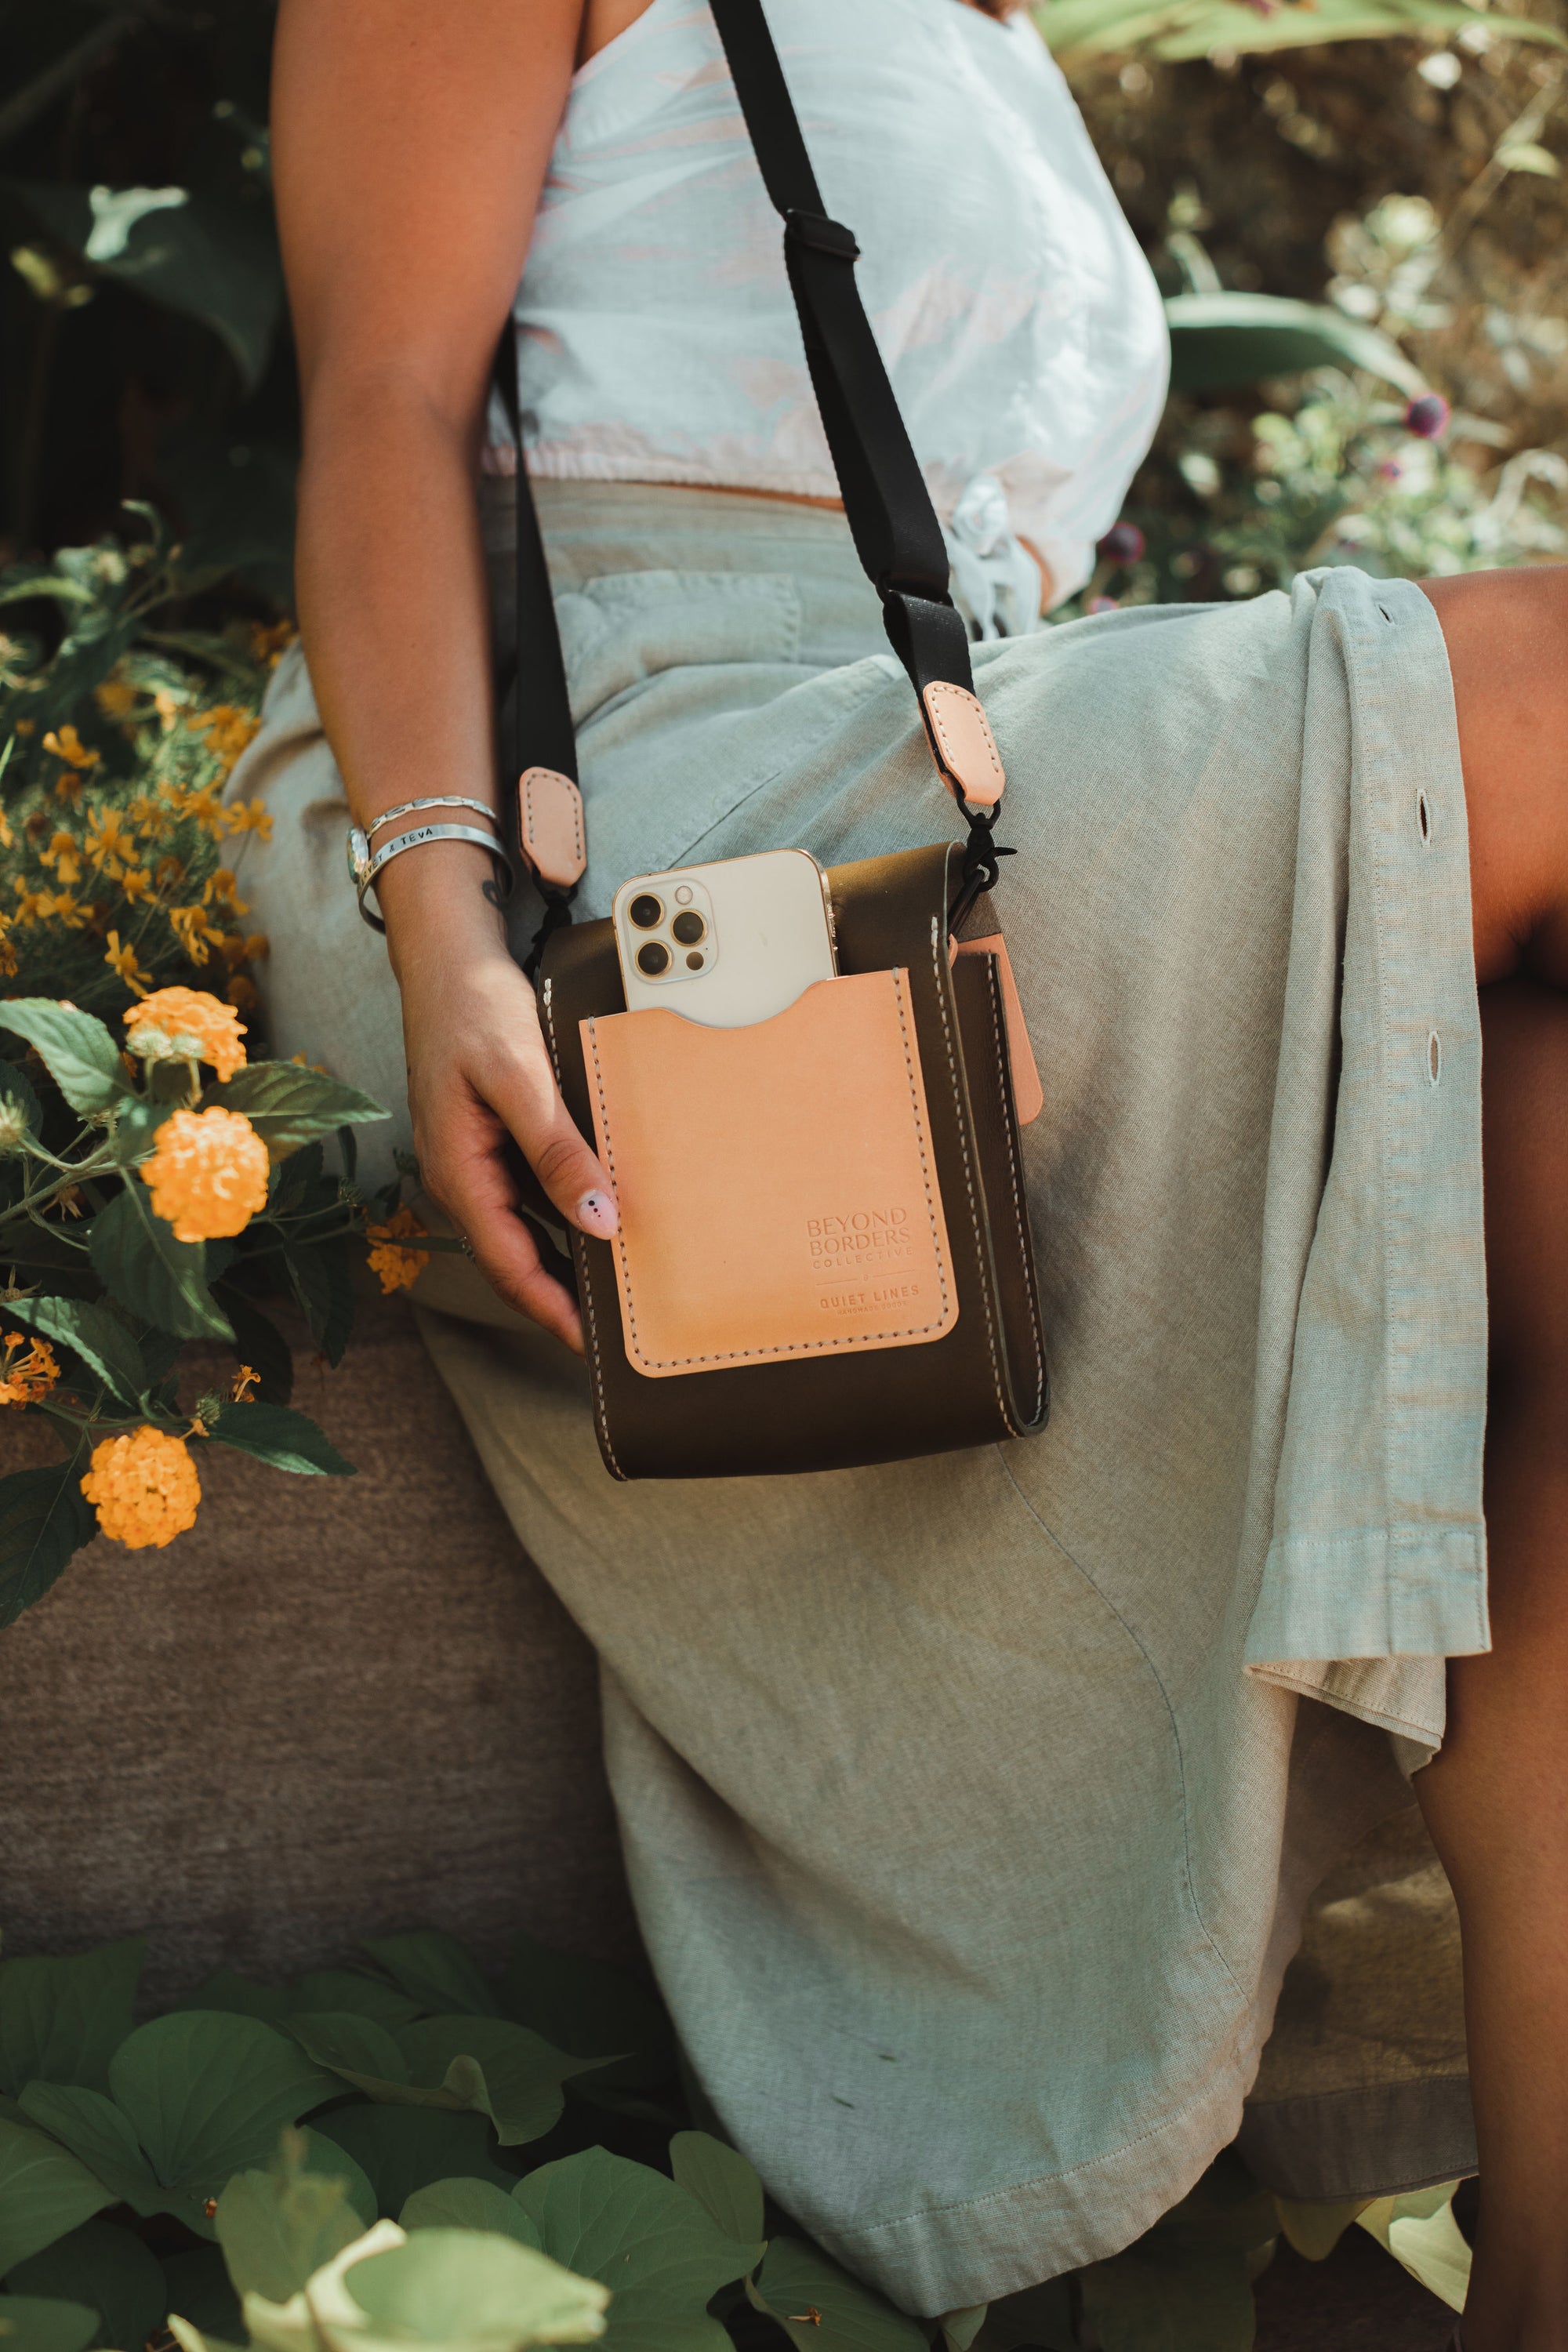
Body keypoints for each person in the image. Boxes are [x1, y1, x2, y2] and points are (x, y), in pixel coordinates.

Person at [240, 2, 1568, 2344]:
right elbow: (381, 400)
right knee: (1545, 688)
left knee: (1554, 1185)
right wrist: (441, 915)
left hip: (943, 769)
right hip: (601, 805)